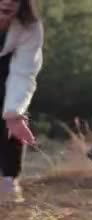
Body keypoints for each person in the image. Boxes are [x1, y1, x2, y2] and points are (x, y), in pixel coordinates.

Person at [0, 0, 43, 204]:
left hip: (8, 68)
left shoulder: (30, 27)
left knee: (15, 117)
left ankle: (8, 183)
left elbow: (23, 72)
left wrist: (14, 114)